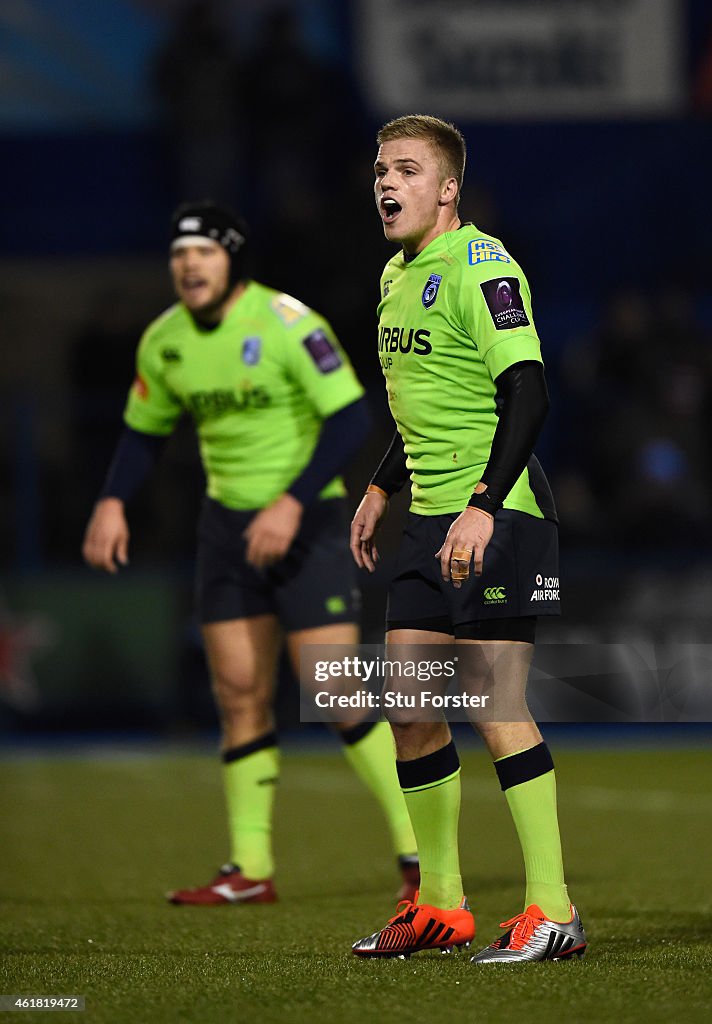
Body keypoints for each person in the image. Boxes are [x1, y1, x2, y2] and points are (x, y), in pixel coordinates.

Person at [82, 201, 418, 905]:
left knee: (332, 690)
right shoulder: (165, 340)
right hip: (227, 531)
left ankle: (416, 849)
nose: (189, 266)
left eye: (203, 252)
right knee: (239, 694)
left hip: (308, 521)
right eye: (179, 256)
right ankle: (250, 868)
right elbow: (146, 431)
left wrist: (291, 501)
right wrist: (113, 500)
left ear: (233, 260)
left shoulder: (288, 324)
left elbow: (351, 417)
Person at [349, 116, 586, 962]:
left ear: (447, 189)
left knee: (494, 707)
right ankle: (442, 907)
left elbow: (527, 392)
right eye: (380, 169)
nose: (386, 183)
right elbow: (423, 396)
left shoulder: (482, 266)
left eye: (407, 170)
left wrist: (483, 504)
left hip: (500, 513)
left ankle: (553, 911)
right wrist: (383, 484)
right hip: (426, 519)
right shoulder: (393, 274)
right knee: (410, 713)